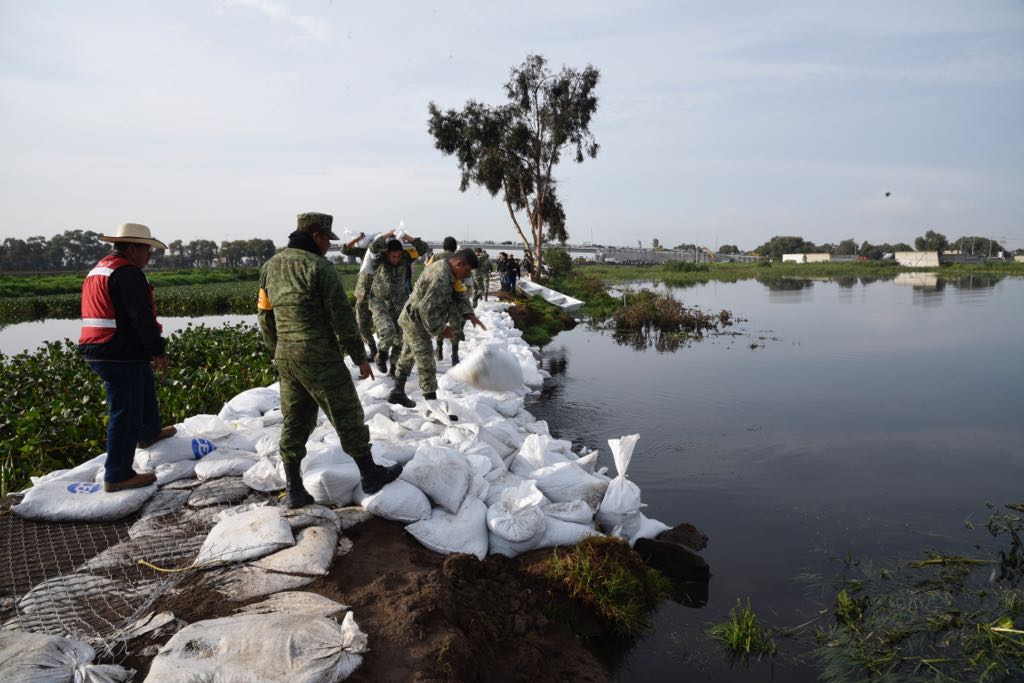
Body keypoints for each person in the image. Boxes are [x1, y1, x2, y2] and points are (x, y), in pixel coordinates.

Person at [258, 212, 401, 507]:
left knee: (295, 420)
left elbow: (265, 316)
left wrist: (279, 349)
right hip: (319, 354)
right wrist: (360, 357)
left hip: (287, 356)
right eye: (326, 239)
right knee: (346, 413)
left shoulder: (269, 267)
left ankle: (294, 487)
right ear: (315, 236)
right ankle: (370, 473)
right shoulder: (319, 267)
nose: (327, 246)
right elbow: (341, 316)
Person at [79, 223, 174, 492]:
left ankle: (149, 432)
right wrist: (158, 350)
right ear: (132, 248)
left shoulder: (102, 267)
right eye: (147, 251)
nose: (149, 257)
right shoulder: (127, 273)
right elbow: (140, 317)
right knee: (125, 410)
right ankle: (118, 475)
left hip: (101, 347)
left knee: (143, 381)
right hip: (115, 351)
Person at [388, 249, 486, 408]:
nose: (467, 275)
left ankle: (397, 391)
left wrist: (469, 314)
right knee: (426, 360)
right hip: (416, 322)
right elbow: (427, 310)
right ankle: (432, 405)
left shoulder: (449, 270)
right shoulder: (440, 278)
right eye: (467, 270)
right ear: (459, 263)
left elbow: (459, 293)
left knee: (407, 355)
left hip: (414, 318)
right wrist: (441, 329)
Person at [367, 231, 429, 375]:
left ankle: (394, 367)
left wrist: (407, 237)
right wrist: (389, 234)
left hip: (399, 302)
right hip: (379, 301)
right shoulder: (379, 259)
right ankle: (381, 356)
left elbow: (423, 248)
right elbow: (373, 247)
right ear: (387, 253)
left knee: (401, 337)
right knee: (388, 331)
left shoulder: (405, 259)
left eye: (399, 255)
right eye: (393, 256)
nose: (396, 259)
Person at [428, 236, 471, 365]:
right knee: (455, 325)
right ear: (455, 246)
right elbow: (468, 278)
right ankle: (455, 355)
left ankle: (440, 349)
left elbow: (428, 273)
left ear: (444, 246)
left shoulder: (435, 257)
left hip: (439, 297)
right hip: (455, 297)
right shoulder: (461, 259)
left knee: (440, 323)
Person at [340, 231, 379, 359]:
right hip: (363, 294)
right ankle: (373, 349)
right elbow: (345, 250)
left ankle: (384, 351)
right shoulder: (364, 252)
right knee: (362, 325)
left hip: (380, 296)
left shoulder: (385, 254)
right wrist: (357, 238)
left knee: (381, 325)